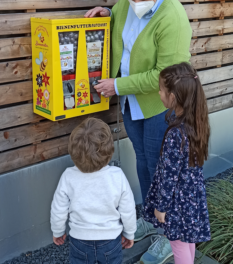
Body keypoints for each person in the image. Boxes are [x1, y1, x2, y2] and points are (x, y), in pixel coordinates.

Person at [85, 0, 193, 262]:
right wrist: (108, 14)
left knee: (162, 170)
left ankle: (170, 236)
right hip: (132, 104)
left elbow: (165, 75)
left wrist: (118, 85)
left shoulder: (172, 15)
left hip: (160, 106)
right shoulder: (126, 4)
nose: (133, 1)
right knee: (144, 162)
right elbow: (125, 32)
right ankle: (152, 217)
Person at [142, 62, 212, 264]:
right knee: (187, 240)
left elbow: (169, 176)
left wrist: (161, 207)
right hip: (191, 195)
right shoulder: (196, 122)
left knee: (178, 244)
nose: (159, 93)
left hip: (177, 202)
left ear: (174, 96)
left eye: (162, 90)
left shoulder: (176, 134)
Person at [50, 118, 137, 264]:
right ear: (109, 150)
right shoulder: (117, 175)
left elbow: (58, 209)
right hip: (110, 240)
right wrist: (129, 233)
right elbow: (128, 209)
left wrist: (58, 231)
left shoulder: (68, 176)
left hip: (79, 240)